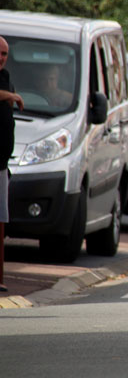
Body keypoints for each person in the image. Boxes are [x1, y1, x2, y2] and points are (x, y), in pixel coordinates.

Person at [0, 36, 25, 292]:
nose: (1, 58)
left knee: (1, 221)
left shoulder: (5, 76)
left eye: (5, 54)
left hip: (2, 163)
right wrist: (11, 96)